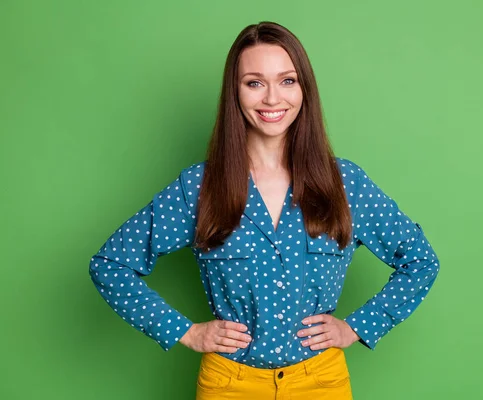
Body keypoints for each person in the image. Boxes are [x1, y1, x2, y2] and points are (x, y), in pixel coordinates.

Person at [89, 21, 441, 400]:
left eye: (287, 80)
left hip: (321, 382)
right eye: (254, 82)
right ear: (235, 93)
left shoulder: (345, 182)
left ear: (304, 89)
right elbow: (110, 265)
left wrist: (355, 328)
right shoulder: (200, 187)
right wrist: (186, 332)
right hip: (229, 384)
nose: (272, 99)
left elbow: (421, 261)